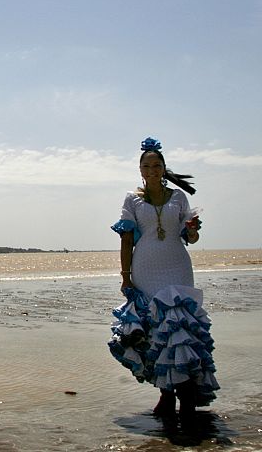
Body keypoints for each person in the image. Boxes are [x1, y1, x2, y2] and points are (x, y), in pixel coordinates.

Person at [108, 137, 219, 426]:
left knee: (180, 326)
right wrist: (125, 276)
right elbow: (127, 239)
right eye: (147, 165)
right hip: (146, 266)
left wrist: (193, 230)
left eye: (157, 165)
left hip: (177, 264)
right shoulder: (131, 199)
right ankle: (166, 393)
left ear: (164, 168)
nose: (152, 169)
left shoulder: (179, 198)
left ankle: (186, 398)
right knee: (157, 329)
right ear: (140, 169)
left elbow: (190, 238)